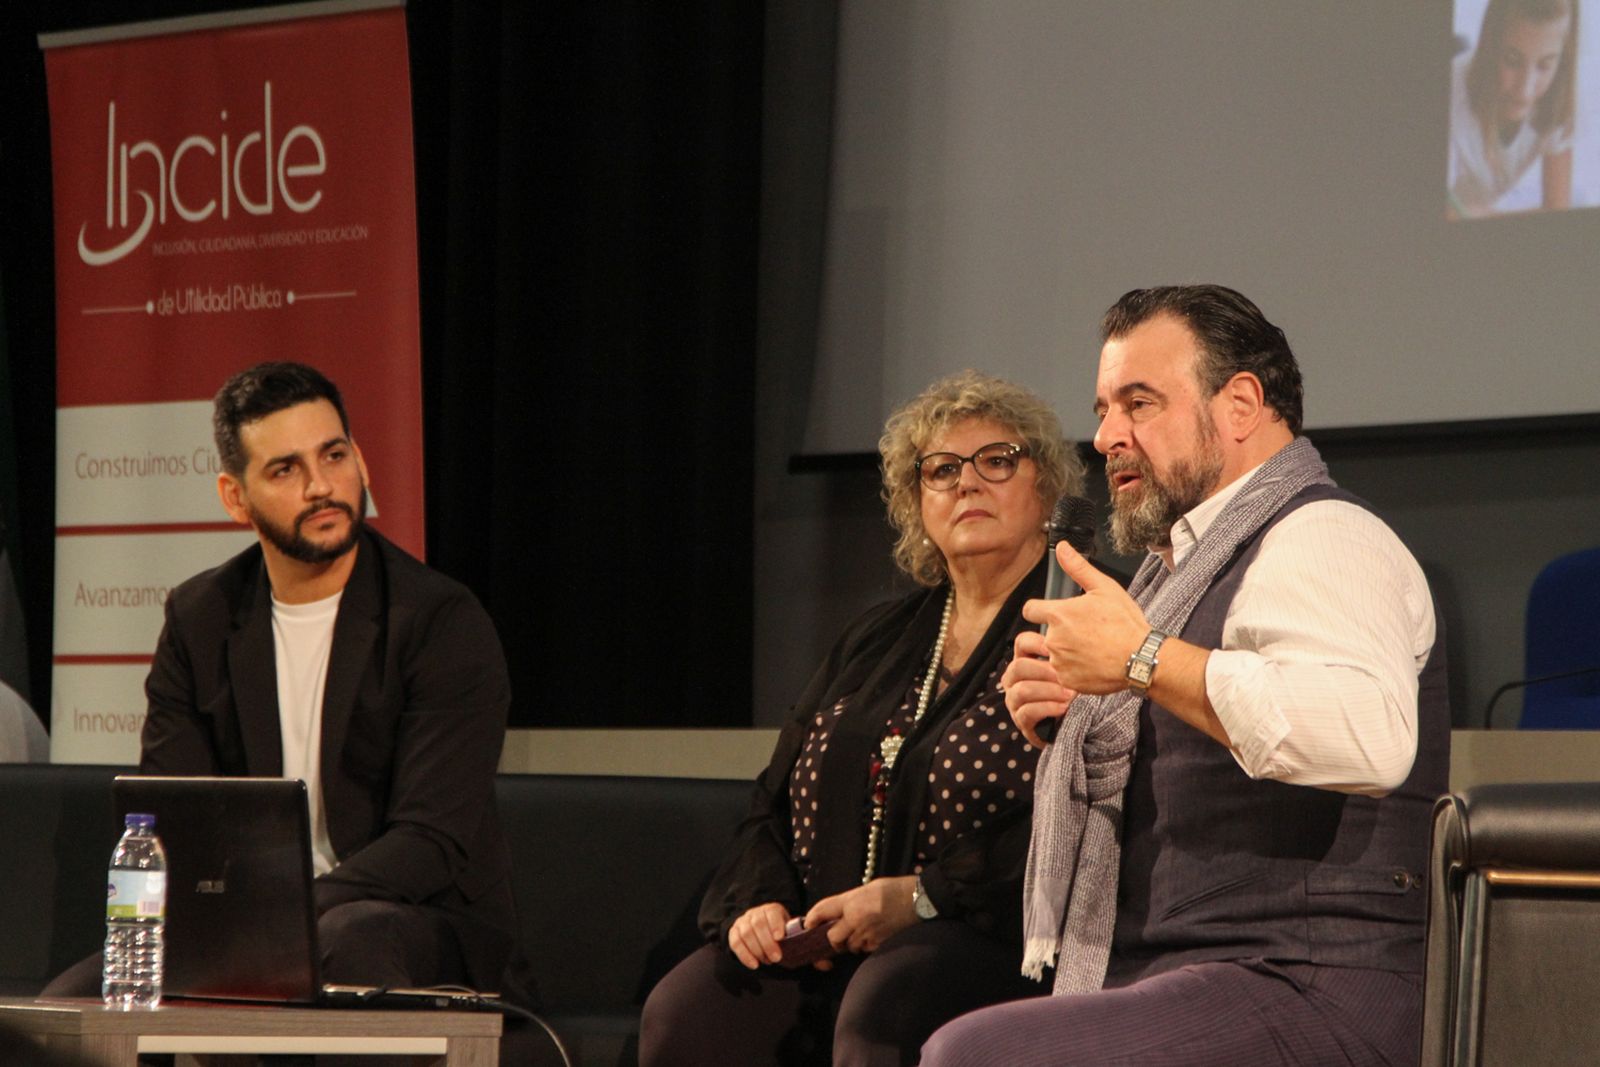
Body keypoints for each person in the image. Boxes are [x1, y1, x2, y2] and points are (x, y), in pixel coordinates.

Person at [922, 285, 1449, 1067]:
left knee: (976, 1055)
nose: (1105, 437)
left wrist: (1138, 660)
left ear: (1240, 404)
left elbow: (1365, 739)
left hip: (1313, 979)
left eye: (1138, 403)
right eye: (1103, 408)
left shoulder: (1325, 536)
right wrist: (1086, 706)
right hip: (1188, 967)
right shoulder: (1175, 572)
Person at [46, 362, 547, 1065]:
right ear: (234, 496)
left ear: (361, 459)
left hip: (419, 923)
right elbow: (171, 817)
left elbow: (429, 841)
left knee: (349, 939)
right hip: (248, 922)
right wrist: (241, 921)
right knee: (62, 1011)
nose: (320, 485)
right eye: (285, 469)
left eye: (334, 455)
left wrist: (281, 914)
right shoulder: (201, 619)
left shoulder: (439, 620)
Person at [640, 371, 1087, 1066]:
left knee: (883, 1002)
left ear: (1046, 487)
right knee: (689, 1011)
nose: (967, 483)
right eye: (941, 469)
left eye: (996, 460)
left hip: (992, 934)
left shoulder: (1082, 630)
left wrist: (922, 897)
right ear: (917, 503)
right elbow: (774, 798)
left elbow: (1083, 815)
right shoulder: (875, 636)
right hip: (825, 937)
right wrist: (762, 900)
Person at [1449, 0, 1579, 218]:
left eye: (1545, 65)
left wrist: (1479, 215)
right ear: (1491, 47)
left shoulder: (1562, 94)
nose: (1525, 92)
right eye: (1512, 60)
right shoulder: (1451, 92)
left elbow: (1557, 210)